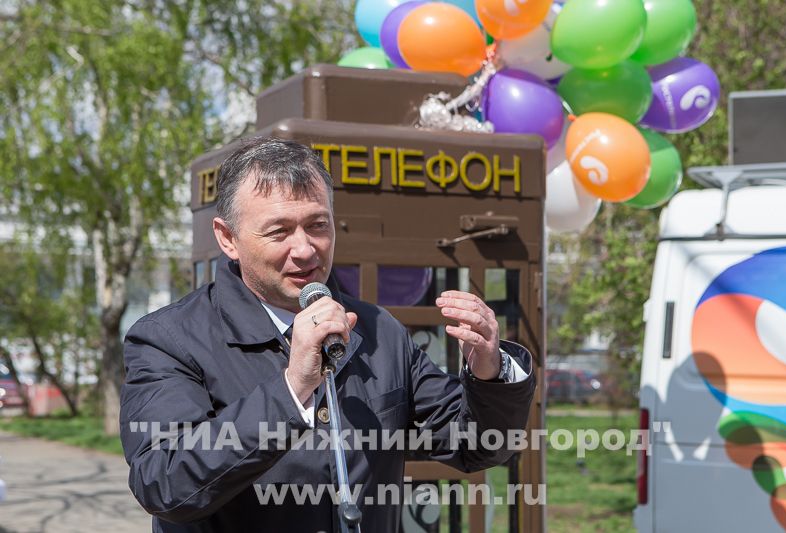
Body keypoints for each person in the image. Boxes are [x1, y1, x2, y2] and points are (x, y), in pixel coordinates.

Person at [120, 137, 537, 532]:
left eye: (318, 225)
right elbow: (164, 483)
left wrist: (489, 374)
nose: (305, 249)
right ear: (228, 238)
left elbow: (477, 447)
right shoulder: (167, 339)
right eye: (279, 231)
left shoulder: (378, 330)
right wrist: (292, 390)